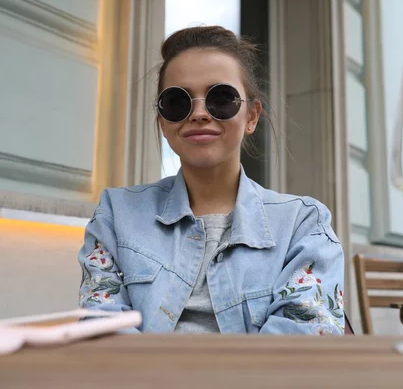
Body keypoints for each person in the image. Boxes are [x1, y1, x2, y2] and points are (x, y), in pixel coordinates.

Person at [77, 26, 345, 335]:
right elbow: (101, 327)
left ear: (252, 117)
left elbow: (299, 344)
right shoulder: (116, 214)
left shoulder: (304, 223)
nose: (200, 113)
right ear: (163, 122)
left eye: (222, 98)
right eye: (178, 101)